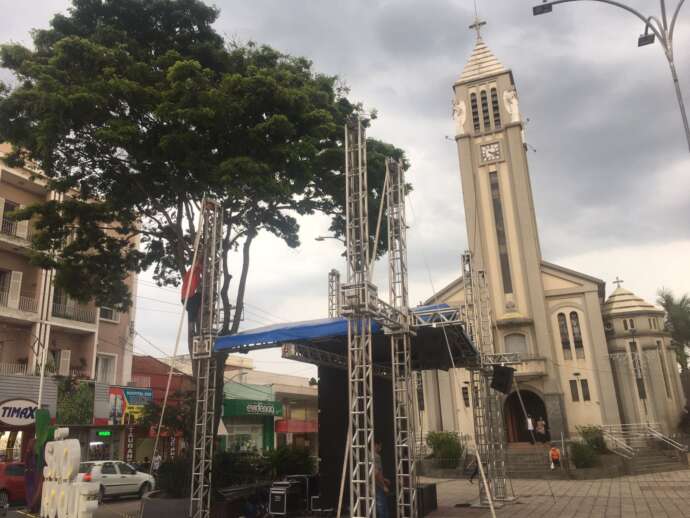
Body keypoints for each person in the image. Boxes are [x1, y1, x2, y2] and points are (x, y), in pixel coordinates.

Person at [374, 440, 391, 518]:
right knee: (382, 509)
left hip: (374, 485)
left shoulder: (368, 455)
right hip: (378, 486)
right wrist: (383, 486)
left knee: (380, 508)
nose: (380, 448)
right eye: (380, 446)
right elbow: (377, 473)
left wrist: (384, 479)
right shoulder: (376, 456)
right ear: (375, 445)